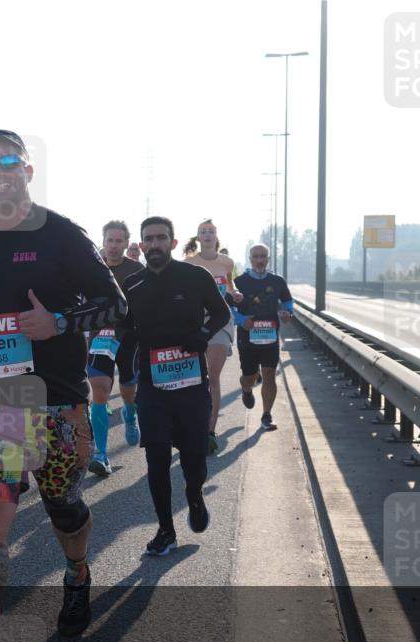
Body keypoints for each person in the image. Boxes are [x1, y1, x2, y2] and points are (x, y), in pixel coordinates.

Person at [0, 130, 125, 642]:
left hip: (58, 400)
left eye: (7, 161)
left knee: (63, 509)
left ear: (27, 170)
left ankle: (77, 572)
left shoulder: (61, 233)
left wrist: (57, 321)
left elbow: (115, 304)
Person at [118, 216, 230, 555]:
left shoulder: (195, 276)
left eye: (161, 238)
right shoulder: (133, 285)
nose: (154, 244)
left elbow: (222, 314)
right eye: (148, 239)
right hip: (153, 385)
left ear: (173, 242)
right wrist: (124, 363)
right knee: (156, 458)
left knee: (194, 458)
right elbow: (126, 330)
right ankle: (165, 530)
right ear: (140, 244)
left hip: (192, 384)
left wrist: (204, 335)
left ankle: (194, 496)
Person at [182, 219, 243, 454]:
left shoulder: (227, 262)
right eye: (203, 232)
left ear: (216, 236)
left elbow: (231, 285)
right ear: (198, 237)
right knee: (195, 377)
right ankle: (192, 425)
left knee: (212, 377)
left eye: (211, 232)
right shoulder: (188, 263)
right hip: (195, 323)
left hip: (220, 321)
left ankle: (209, 431)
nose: (207, 235)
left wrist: (235, 293)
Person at [88, 220, 143, 477]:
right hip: (101, 337)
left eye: (119, 241)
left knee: (128, 390)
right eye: (110, 240)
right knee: (99, 390)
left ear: (126, 243)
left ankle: (130, 414)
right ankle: (100, 453)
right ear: (104, 240)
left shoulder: (136, 269)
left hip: (129, 338)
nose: (113, 246)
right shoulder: (92, 268)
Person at [233, 243, 294, 431]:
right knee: (249, 376)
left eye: (263, 256)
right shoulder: (239, 282)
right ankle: (246, 388)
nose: (260, 260)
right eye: (256, 256)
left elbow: (288, 301)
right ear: (250, 259)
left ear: (268, 258)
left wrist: (287, 313)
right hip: (247, 337)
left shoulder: (277, 281)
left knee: (269, 374)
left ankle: (267, 415)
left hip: (270, 337)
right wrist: (242, 319)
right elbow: (228, 307)